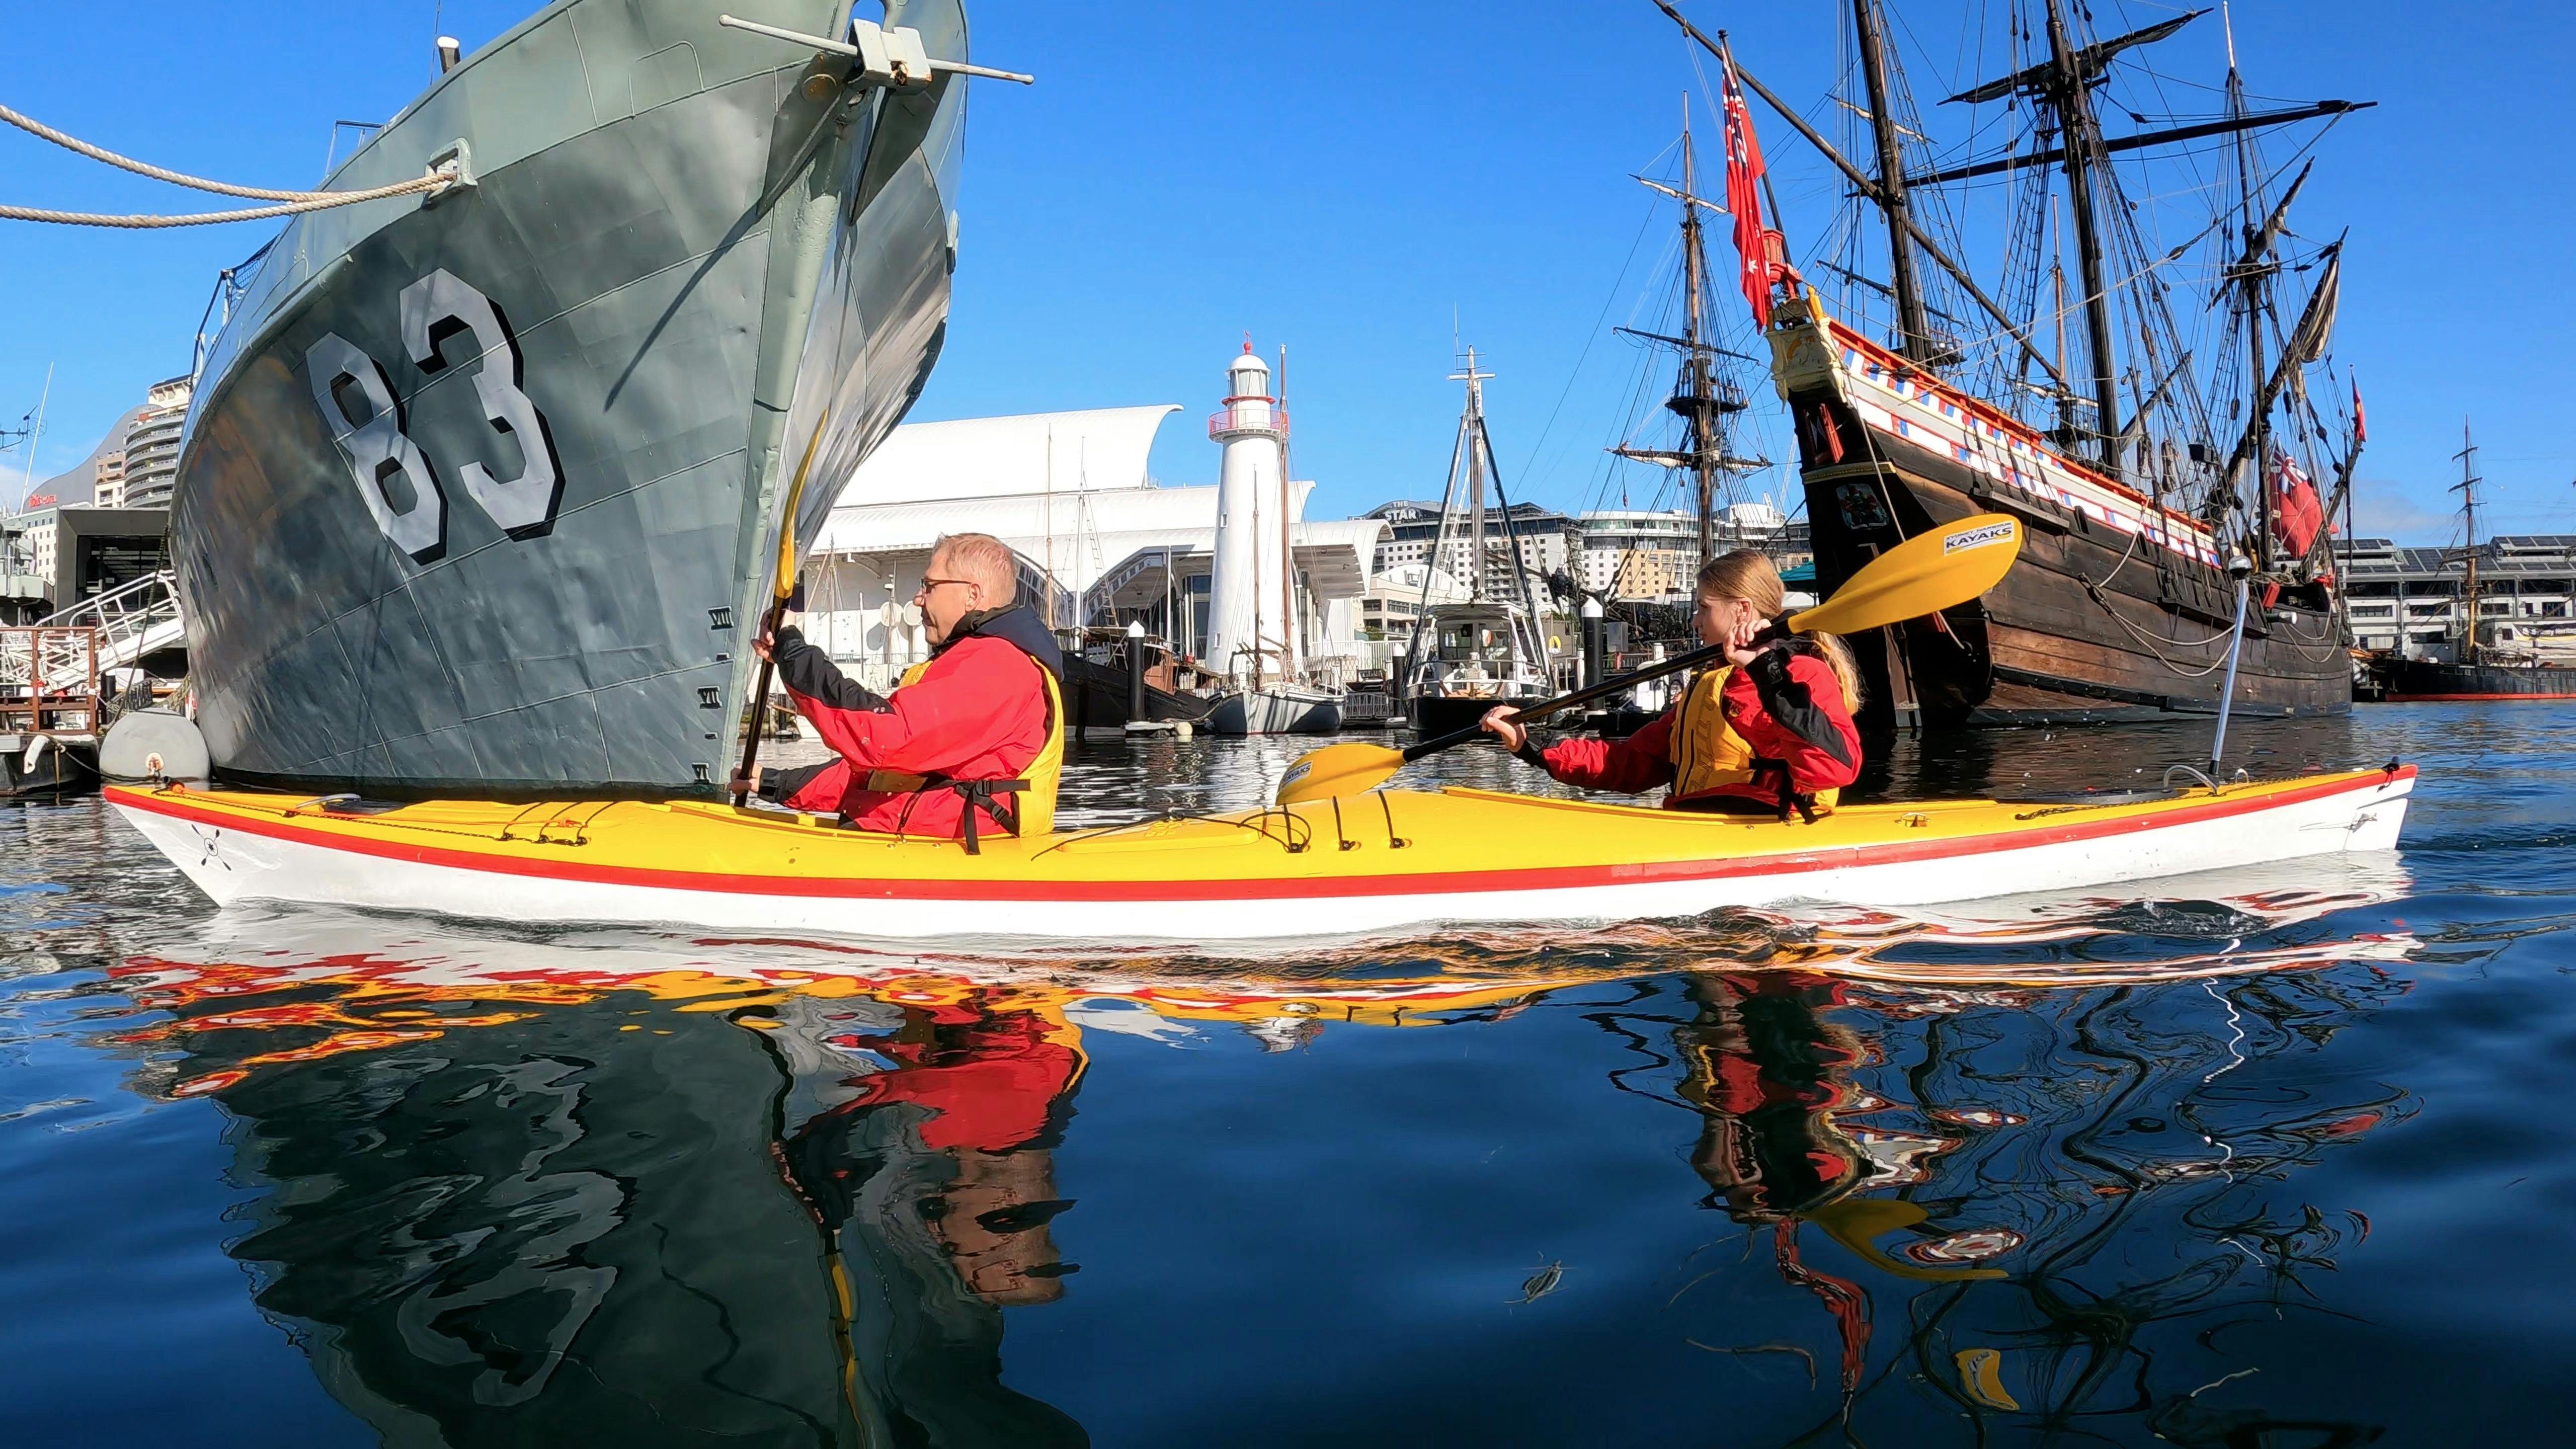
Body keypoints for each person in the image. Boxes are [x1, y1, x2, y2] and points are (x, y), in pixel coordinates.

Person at [739, 532, 1064, 850]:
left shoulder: (997, 665)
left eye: (930, 585)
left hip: (960, 850)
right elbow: (883, 773)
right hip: (930, 839)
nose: (918, 598)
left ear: (972, 595)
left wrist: (794, 652)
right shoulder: (981, 661)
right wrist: (774, 783)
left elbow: (884, 739)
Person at [1480, 550, 1862, 820]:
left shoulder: (1803, 674)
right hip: (1696, 823)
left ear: (1742, 610)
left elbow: (1832, 768)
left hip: (1767, 826)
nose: (1696, 622)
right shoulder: (1708, 682)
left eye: (1703, 608)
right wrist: (1534, 746)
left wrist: (1761, 671)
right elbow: (1635, 763)